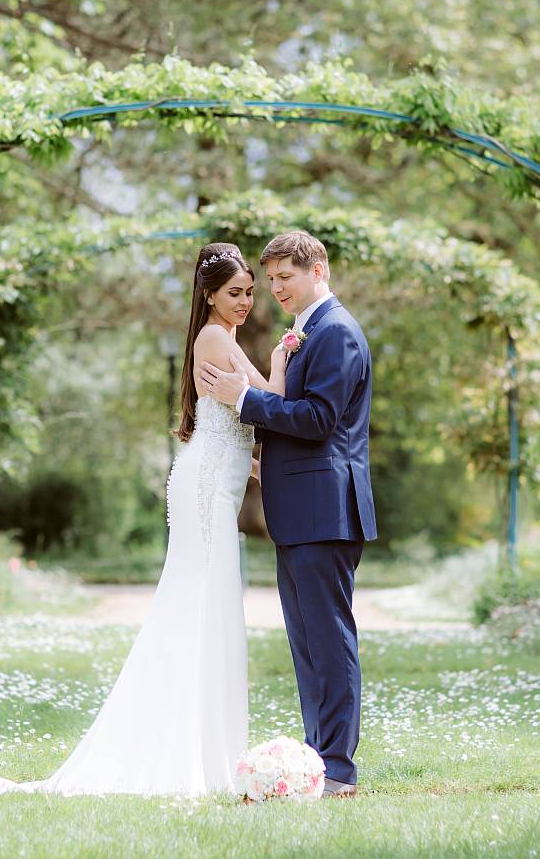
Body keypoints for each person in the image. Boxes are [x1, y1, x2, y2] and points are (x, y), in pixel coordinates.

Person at [0, 243, 287, 796]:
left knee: (205, 602)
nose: (245, 302)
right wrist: (282, 358)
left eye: (249, 293)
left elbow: (234, 424)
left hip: (214, 481)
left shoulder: (224, 339)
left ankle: (202, 744)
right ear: (209, 295)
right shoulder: (215, 338)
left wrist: (257, 466)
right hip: (205, 490)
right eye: (235, 293)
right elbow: (271, 401)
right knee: (201, 602)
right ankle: (189, 748)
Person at [196, 229, 375, 798]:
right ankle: (317, 761)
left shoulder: (337, 332)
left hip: (326, 511)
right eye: (270, 279)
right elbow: (298, 422)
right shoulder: (307, 332)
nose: (275, 289)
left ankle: (338, 767)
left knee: (329, 642)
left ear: (317, 269)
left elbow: (319, 420)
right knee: (307, 647)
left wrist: (243, 399)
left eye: (284, 277)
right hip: (299, 512)